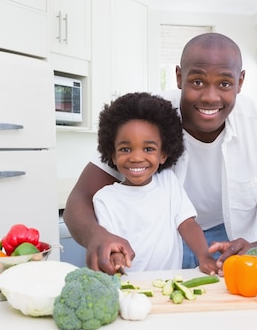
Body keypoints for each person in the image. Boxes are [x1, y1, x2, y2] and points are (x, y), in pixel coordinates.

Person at [63, 32, 257, 275]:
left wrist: (256, 249)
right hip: (163, 237)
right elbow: (79, 199)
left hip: (229, 239)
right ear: (179, 77)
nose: (210, 97)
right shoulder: (147, 120)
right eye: (197, 82)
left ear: (240, 82)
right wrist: (97, 235)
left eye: (225, 84)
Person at [92, 92, 218, 274]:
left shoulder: (168, 182)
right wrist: (115, 259)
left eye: (148, 149)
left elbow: (187, 224)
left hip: (169, 283)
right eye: (125, 149)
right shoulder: (104, 199)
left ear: (163, 155)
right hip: (129, 285)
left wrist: (204, 256)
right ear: (113, 154)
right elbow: (109, 243)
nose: (136, 158)